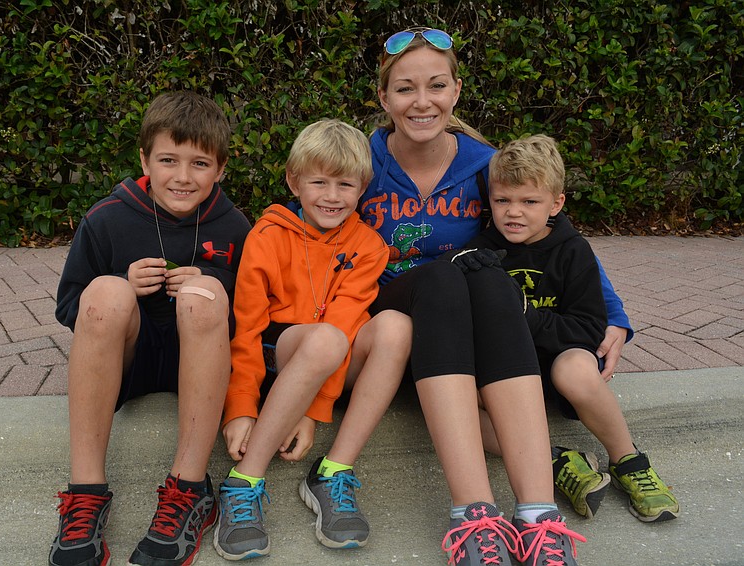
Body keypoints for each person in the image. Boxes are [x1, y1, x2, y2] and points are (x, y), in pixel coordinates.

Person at [356, 27, 633, 566]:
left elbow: (553, 233)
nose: (422, 101)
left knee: (485, 275)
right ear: (384, 98)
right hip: (389, 321)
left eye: (436, 85)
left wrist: (615, 314)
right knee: (444, 274)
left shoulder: (483, 166)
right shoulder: (362, 162)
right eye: (405, 88)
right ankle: (474, 514)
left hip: (455, 336)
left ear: (456, 91)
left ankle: (537, 517)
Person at [50, 91, 252, 566]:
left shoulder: (237, 227)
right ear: (144, 159)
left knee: (206, 297)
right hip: (130, 362)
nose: (182, 177)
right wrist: (124, 284)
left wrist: (213, 282)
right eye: (168, 160)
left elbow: (253, 317)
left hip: (201, 364)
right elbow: (69, 308)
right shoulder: (107, 218)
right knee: (104, 292)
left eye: (200, 164)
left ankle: (189, 489)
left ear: (221, 168)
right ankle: (86, 493)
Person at [213, 119, 412, 560]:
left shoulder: (369, 246)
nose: (332, 196)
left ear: (363, 188)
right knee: (323, 340)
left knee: (396, 325)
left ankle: (333, 471)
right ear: (293, 180)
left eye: (346, 184)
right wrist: (241, 407)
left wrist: (314, 409)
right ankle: (243, 482)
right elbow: (245, 329)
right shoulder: (266, 236)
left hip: (334, 355)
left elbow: (343, 325)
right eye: (318, 182)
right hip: (279, 351)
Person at [468, 134, 679, 524]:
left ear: (556, 203)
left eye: (529, 202)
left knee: (576, 369)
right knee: (463, 398)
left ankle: (627, 461)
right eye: (503, 201)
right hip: (508, 373)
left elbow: (586, 328)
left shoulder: (573, 251)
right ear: (490, 201)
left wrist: (525, 318)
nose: (514, 213)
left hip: (560, 357)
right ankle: (558, 460)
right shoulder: (481, 252)